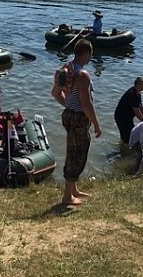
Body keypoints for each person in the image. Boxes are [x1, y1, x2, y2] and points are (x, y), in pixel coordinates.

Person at [51, 39, 101, 206]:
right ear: (85, 53)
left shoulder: (67, 69)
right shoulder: (82, 75)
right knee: (78, 154)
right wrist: (96, 124)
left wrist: (69, 106)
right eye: (91, 54)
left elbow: (56, 93)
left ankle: (73, 189)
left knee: (71, 150)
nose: (91, 58)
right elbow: (87, 104)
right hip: (79, 118)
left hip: (69, 116)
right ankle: (67, 197)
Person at [114, 77, 143, 144]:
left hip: (128, 118)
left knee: (131, 133)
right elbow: (136, 111)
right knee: (127, 137)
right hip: (121, 117)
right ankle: (123, 149)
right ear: (138, 84)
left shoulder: (138, 93)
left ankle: (125, 145)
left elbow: (140, 105)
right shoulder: (131, 94)